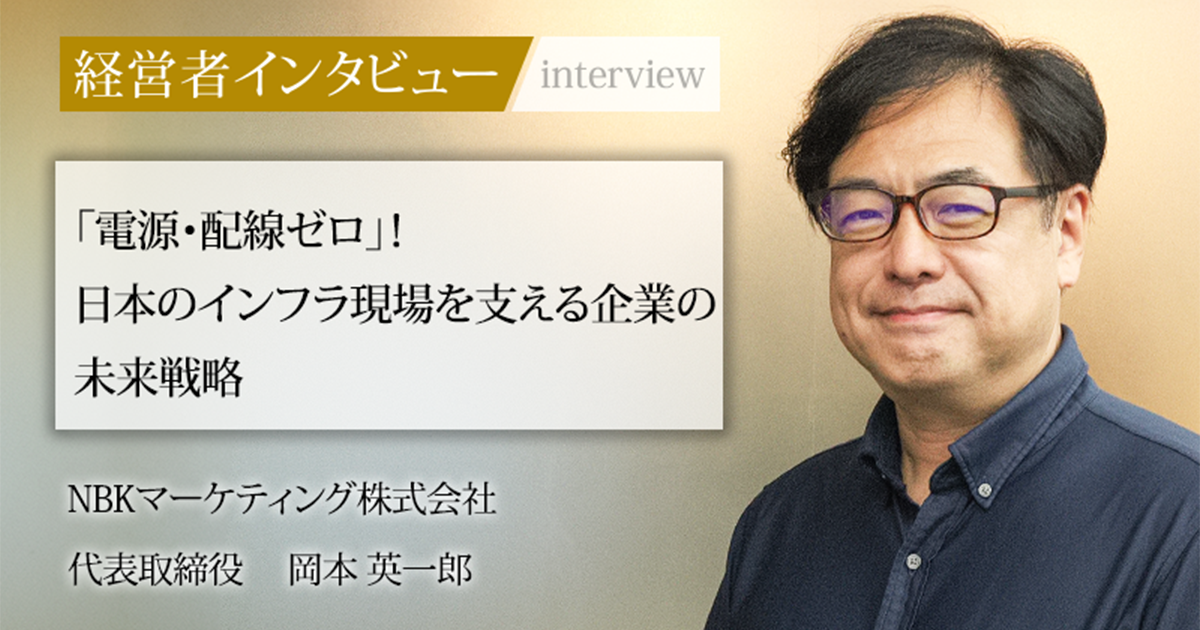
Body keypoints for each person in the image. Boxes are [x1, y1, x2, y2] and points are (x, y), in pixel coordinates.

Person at [705, 14, 1198, 630]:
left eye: (961, 208)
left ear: (1067, 233)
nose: (908, 259)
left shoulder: (1182, 524)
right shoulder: (781, 523)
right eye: (863, 213)